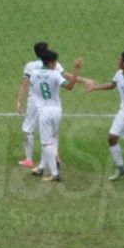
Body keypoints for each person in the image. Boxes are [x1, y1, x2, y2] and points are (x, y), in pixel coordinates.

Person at [85, 51, 124, 183]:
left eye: (119, 60)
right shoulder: (119, 74)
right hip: (123, 112)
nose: (117, 61)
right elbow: (112, 85)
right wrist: (95, 87)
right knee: (112, 138)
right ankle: (121, 168)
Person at [29, 50, 82, 181]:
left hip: (43, 111)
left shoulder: (33, 73)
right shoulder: (55, 74)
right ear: (52, 62)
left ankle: (54, 174)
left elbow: (34, 89)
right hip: (57, 110)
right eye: (56, 62)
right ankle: (41, 167)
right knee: (51, 139)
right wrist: (76, 70)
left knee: (46, 143)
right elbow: (70, 86)